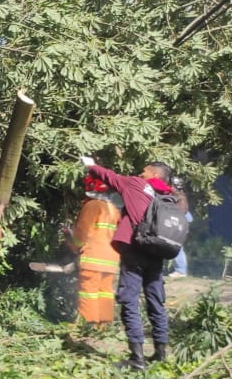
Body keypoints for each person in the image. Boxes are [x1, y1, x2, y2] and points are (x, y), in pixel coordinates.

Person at [82, 157, 174, 368]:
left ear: (155, 175)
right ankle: (161, 352)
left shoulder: (136, 184)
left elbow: (110, 177)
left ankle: (137, 358)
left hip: (135, 250)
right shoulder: (167, 195)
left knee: (129, 299)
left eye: (145, 171)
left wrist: (91, 165)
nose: (141, 174)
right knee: (155, 299)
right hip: (157, 251)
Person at [69, 175, 122, 328]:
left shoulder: (92, 206)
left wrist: (73, 245)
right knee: (105, 291)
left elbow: (82, 233)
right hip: (110, 259)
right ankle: (104, 324)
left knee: (88, 291)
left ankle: (89, 323)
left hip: (93, 258)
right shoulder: (113, 209)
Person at [169, 179, 191, 278]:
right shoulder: (179, 197)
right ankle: (180, 270)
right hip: (179, 224)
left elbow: (180, 213)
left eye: (172, 186)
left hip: (179, 225)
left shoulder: (180, 198)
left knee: (177, 247)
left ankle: (181, 271)